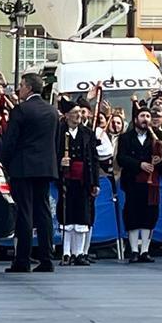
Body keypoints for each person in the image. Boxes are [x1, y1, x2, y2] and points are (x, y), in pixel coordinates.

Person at [0, 72, 59, 273]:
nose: (20, 89)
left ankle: (22, 259)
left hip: (23, 167)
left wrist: (3, 162)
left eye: (22, 85)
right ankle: (46, 258)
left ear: (29, 88)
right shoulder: (52, 111)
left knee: (24, 212)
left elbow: (10, 140)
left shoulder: (21, 110)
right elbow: (56, 142)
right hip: (45, 167)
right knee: (43, 213)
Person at [119, 107, 162, 263]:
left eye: (148, 116)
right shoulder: (126, 138)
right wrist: (139, 164)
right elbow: (121, 158)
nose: (145, 119)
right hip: (133, 182)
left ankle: (145, 250)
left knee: (149, 215)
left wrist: (161, 160)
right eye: (142, 116)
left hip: (151, 183)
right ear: (135, 120)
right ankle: (134, 250)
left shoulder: (156, 138)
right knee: (133, 215)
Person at [57, 99, 101, 266]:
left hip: (83, 180)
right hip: (66, 180)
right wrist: (60, 163)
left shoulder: (88, 133)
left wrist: (95, 182)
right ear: (67, 115)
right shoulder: (59, 132)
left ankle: (79, 253)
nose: (78, 116)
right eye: (75, 113)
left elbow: (94, 159)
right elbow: (54, 152)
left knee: (82, 216)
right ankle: (66, 252)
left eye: (80, 113)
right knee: (67, 217)